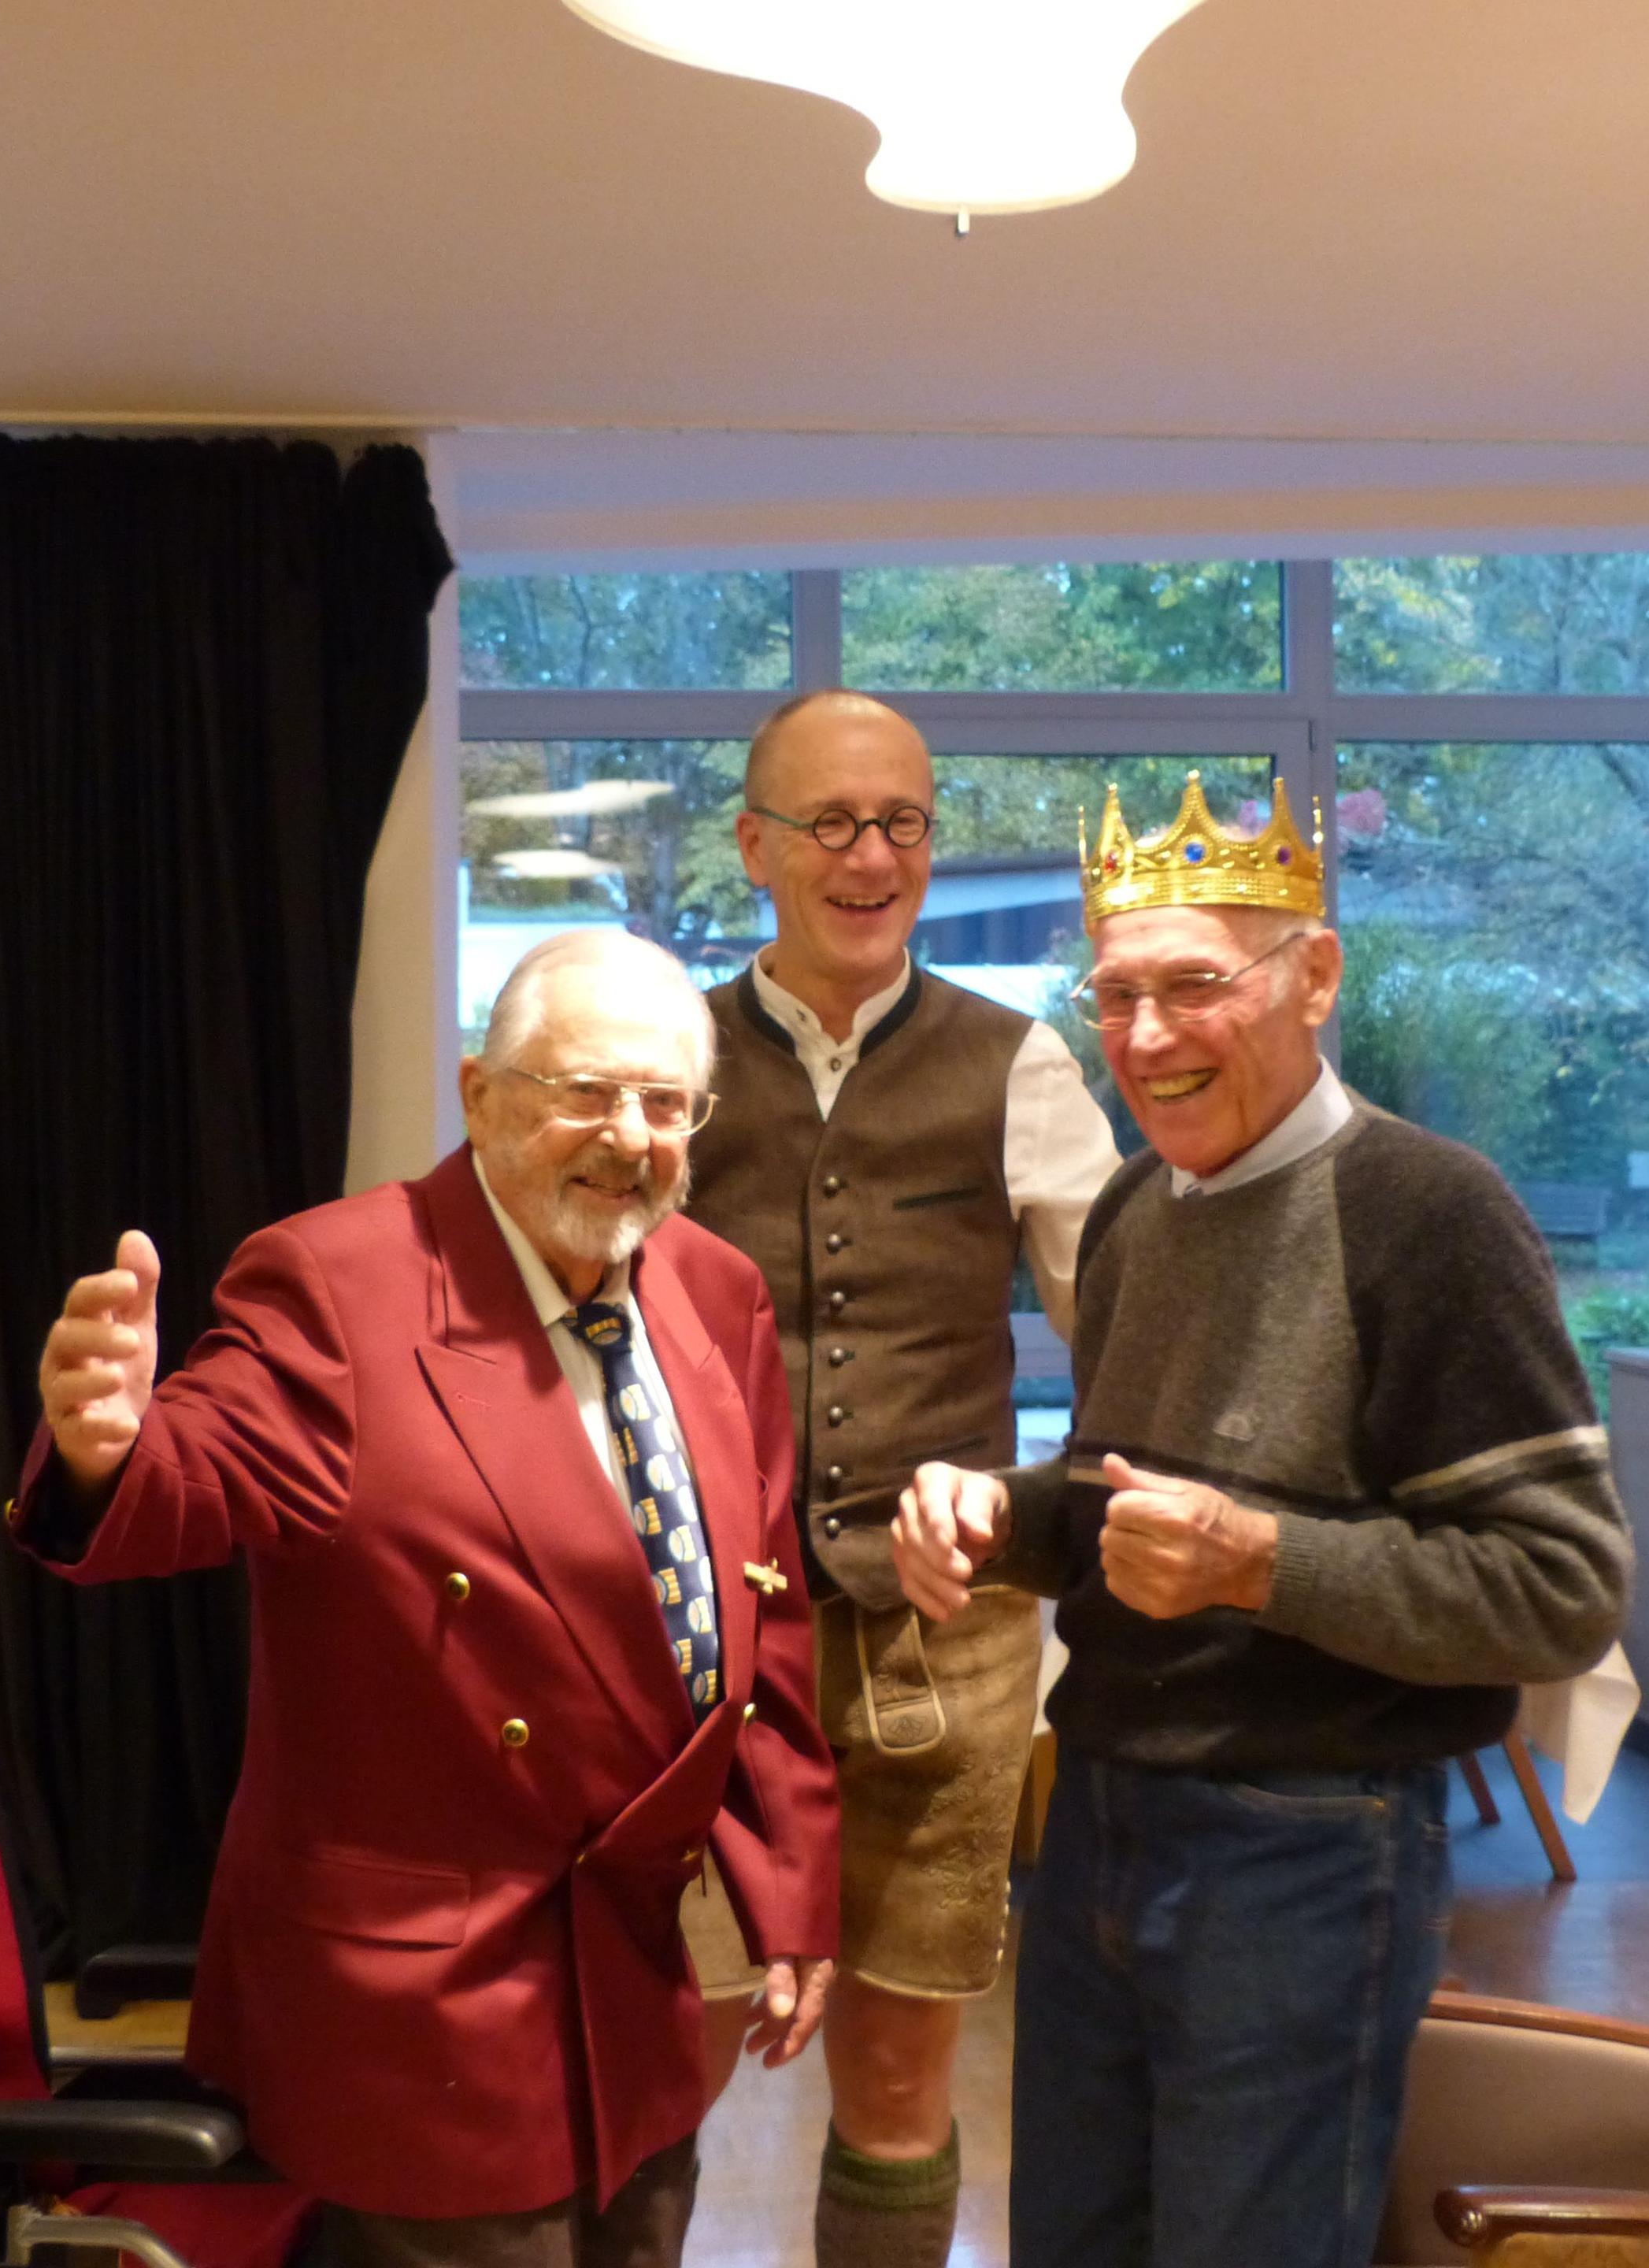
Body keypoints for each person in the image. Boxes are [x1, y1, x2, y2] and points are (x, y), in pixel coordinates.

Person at [891, 776, 1634, 2268]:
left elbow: (1561, 1587)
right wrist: (999, 1518)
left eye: (1193, 987)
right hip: (1099, 1815)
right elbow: (1122, 1501)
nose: (1147, 1038)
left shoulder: (1431, 1214)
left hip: (1308, 1851)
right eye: (1115, 997)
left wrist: (1263, 1565)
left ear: (1315, 977)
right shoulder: (1135, 1212)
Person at [24, 926, 838, 2266]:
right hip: (426, 1991)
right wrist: (106, 1455)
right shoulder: (341, 1282)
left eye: (665, 1102)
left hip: (635, 1972)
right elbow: (204, 1466)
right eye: (585, 1092)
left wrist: (792, 1887)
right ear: (479, 1094)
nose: (629, 1138)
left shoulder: (715, 1289)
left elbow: (764, 1608)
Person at [681, 688, 1117, 2268]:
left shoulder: (1019, 1062)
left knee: (896, 2074)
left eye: (904, 824)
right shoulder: (669, 1057)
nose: (872, 858)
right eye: (832, 824)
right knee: (666, 2047)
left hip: (948, 1638)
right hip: (696, 1636)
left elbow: (1130, 1331)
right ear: (755, 848)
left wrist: (1048, 1511)